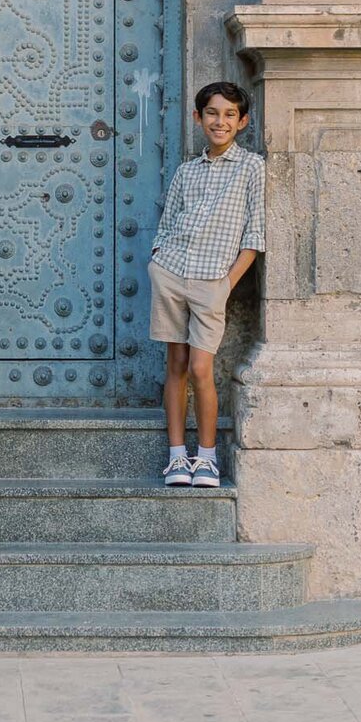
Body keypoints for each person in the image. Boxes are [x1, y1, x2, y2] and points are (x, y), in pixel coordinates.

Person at [150, 81, 264, 490]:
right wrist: (158, 259)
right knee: (176, 366)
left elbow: (255, 235)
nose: (221, 121)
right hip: (171, 273)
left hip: (212, 280)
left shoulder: (251, 167)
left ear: (242, 122)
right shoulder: (186, 171)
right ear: (198, 118)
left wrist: (225, 284)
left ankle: (208, 457)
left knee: (201, 368)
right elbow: (167, 223)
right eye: (212, 113)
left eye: (230, 115)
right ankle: (177, 457)